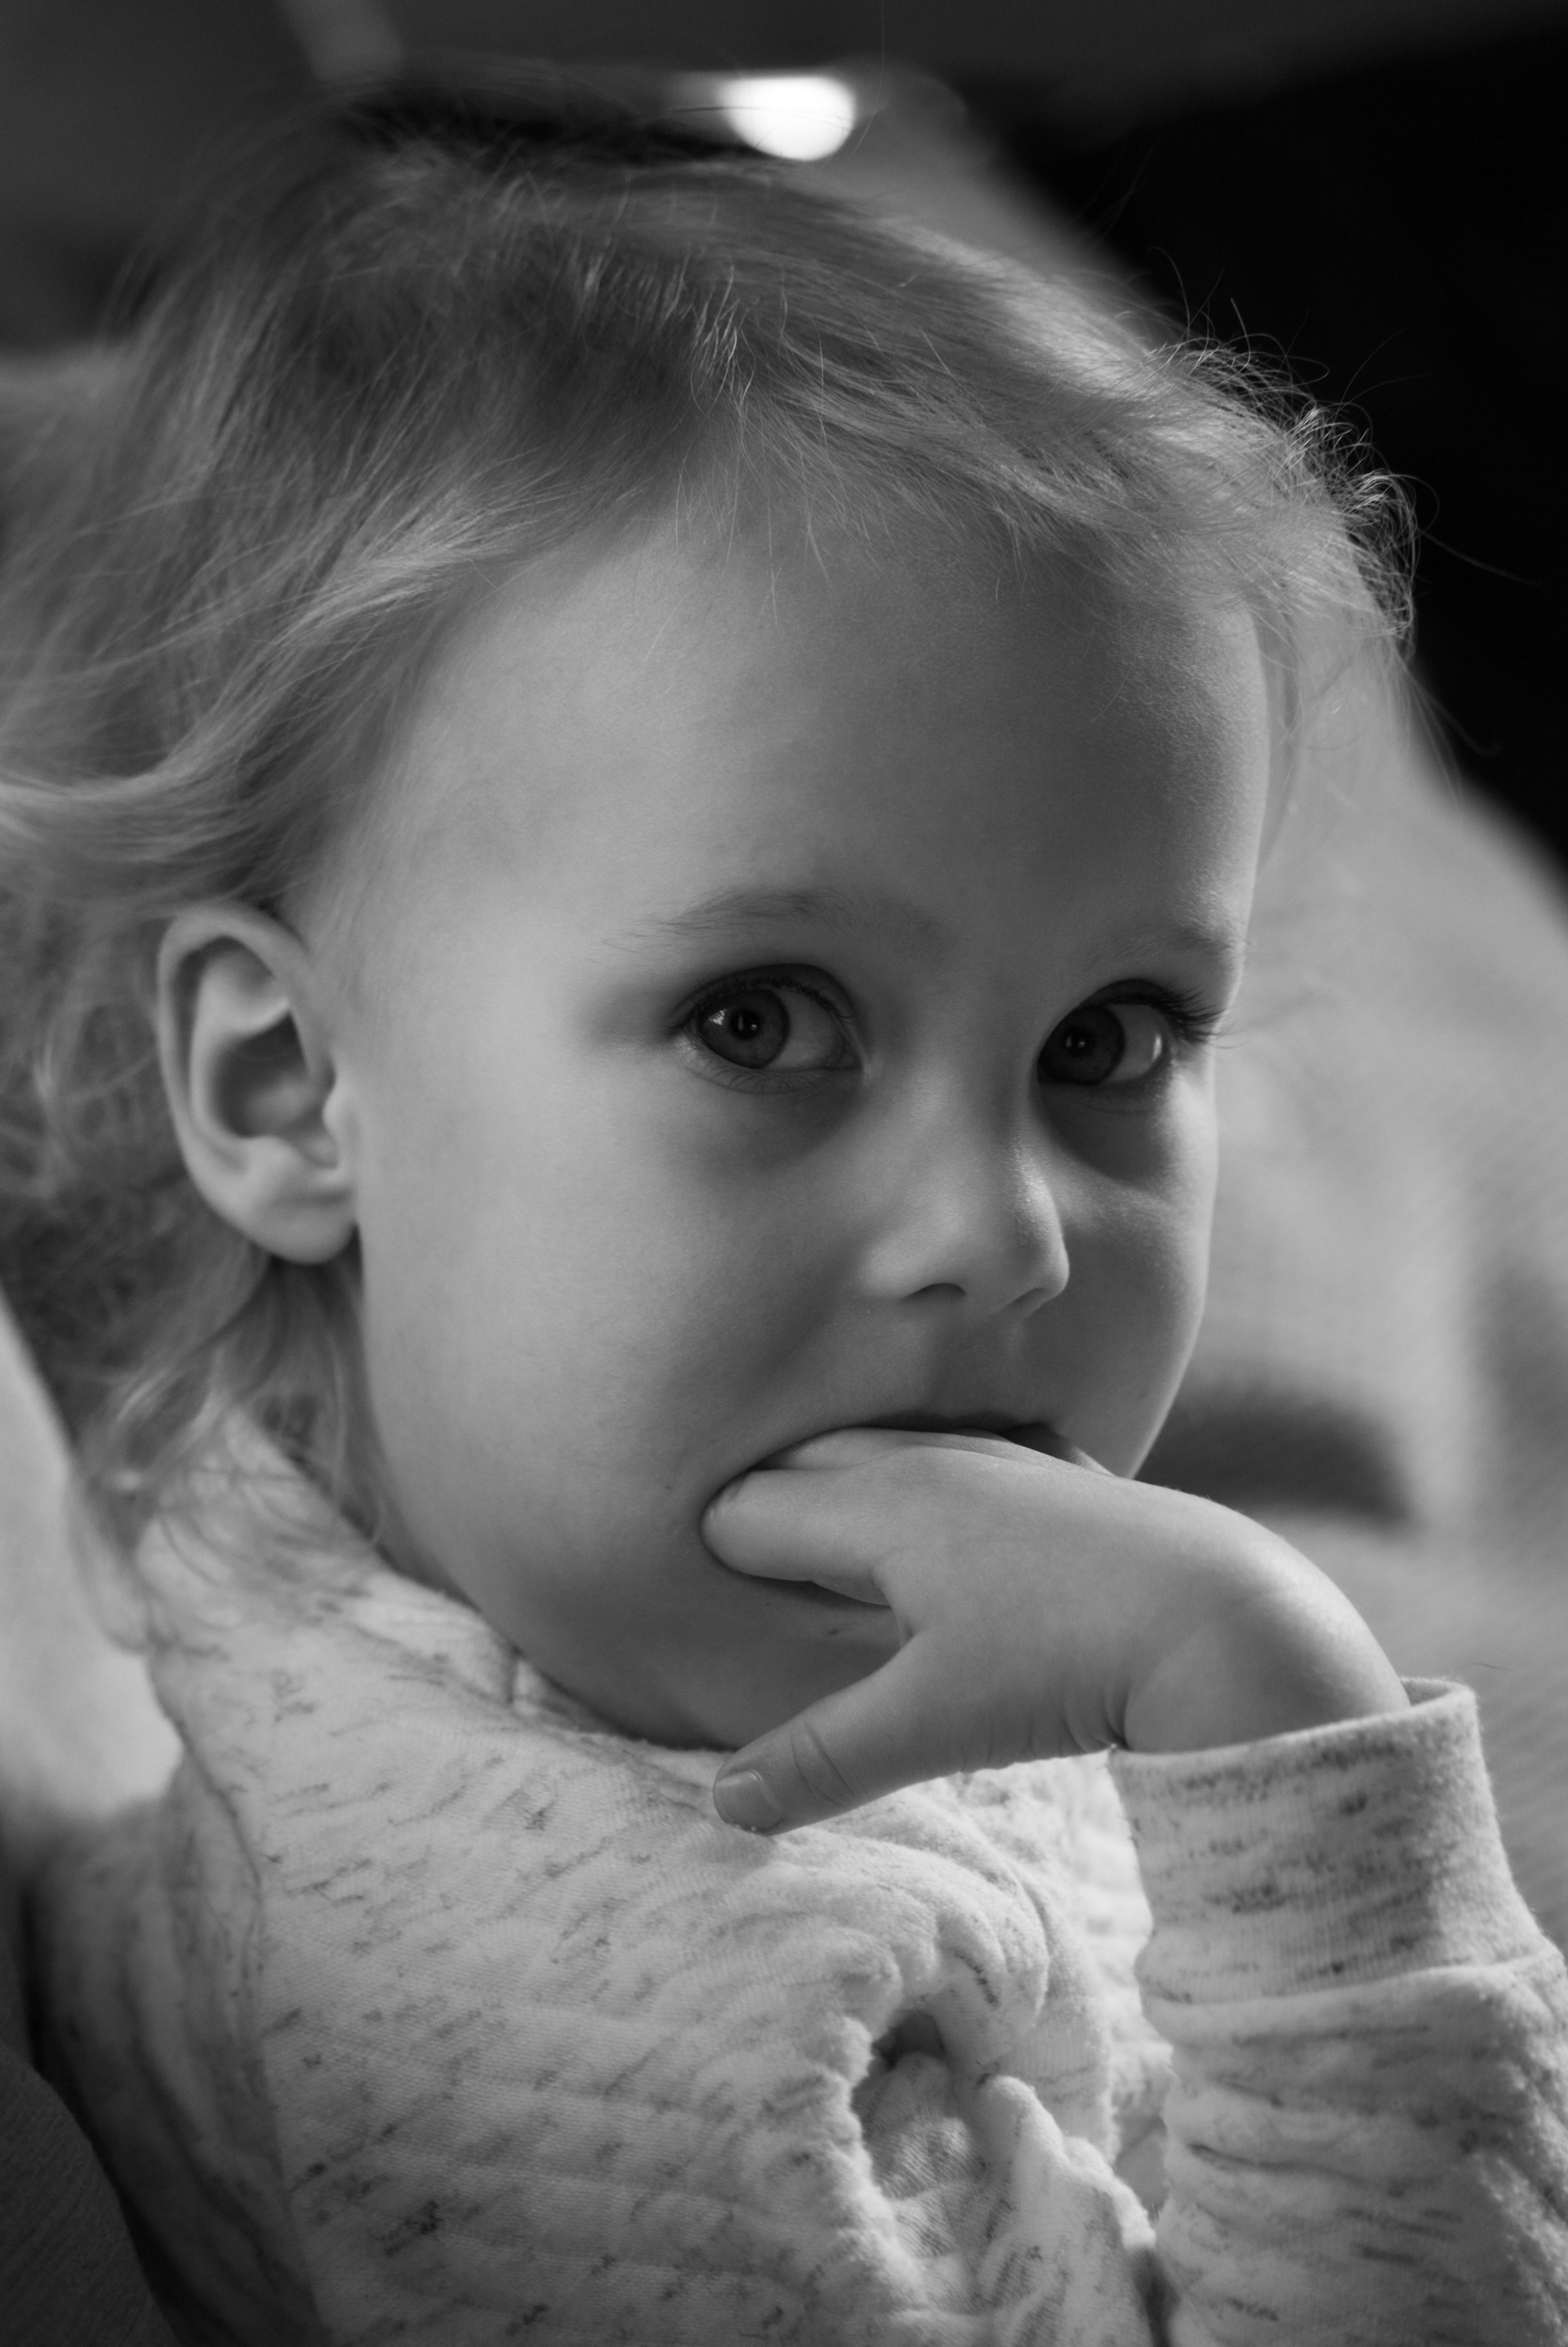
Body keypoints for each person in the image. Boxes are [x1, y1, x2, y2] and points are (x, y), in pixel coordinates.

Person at [2, 89, 1565, 2347]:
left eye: (1112, 1037)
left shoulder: (543, 1645)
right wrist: (1286, 1740)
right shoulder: (590, 2039)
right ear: (284, 1085)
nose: (1003, 1234)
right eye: (762, 1020)